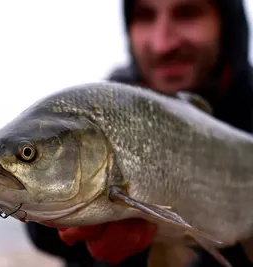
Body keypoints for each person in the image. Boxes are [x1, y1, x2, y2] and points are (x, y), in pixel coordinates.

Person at [24, 0, 253, 266]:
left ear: (228, 24)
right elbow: (50, 238)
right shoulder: (102, 109)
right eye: (145, 16)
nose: (162, 44)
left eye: (187, 13)